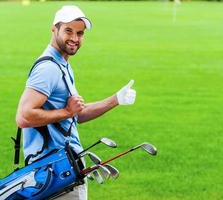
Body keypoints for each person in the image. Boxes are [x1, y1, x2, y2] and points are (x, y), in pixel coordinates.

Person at [15, 5, 136, 200]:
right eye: (68, 31)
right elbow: (23, 116)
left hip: (62, 169)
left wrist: (116, 100)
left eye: (80, 33)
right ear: (54, 30)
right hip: (55, 170)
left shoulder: (62, 64)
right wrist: (66, 112)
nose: (74, 38)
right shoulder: (48, 69)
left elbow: (77, 113)